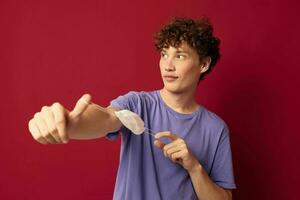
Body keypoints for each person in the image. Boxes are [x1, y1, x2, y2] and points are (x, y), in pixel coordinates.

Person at [28, 17, 236, 200]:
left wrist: (194, 167)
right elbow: (108, 118)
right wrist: (70, 124)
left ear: (204, 64)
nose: (167, 65)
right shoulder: (138, 104)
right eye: (164, 54)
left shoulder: (216, 129)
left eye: (179, 56)